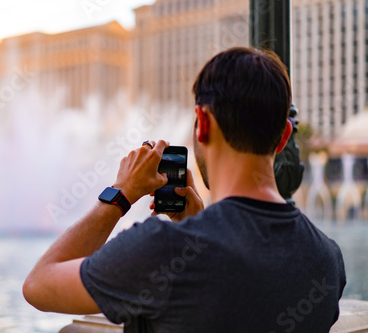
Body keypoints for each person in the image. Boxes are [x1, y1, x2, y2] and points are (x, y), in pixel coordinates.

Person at [23, 47, 346, 332]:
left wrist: (120, 194)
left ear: (202, 122)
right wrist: (200, 221)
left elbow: (38, 285)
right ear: (285, 135)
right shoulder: (328, 259)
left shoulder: (160, 250)